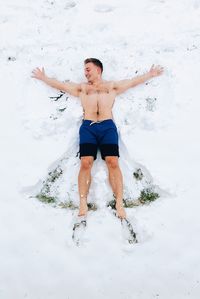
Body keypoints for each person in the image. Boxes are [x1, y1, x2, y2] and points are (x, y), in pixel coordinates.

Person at [32, 58, 164, 219]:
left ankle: (119, 203)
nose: (85, 73)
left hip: (108, 127)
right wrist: (44, 78)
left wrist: (150, 74)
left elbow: (131, 83)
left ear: (98, 70)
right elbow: (61, 85)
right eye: (84, 70)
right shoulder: (82, 88)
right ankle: (82, 202)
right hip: (88, 127)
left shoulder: (111, 87)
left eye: (88, 69)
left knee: (112, 162)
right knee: (86, 163)